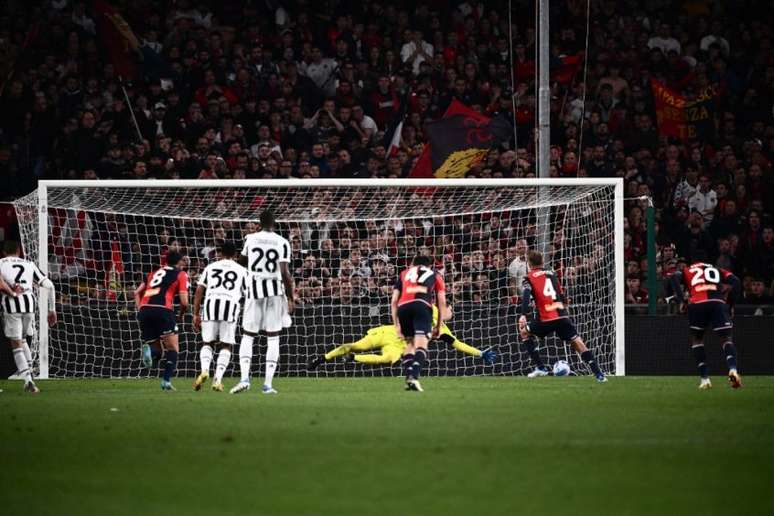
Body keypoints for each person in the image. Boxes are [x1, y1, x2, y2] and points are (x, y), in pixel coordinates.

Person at [307, 305, 496, 369]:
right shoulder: (432, 308)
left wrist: (480, 354)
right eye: (450, 307)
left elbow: (458, 344)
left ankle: (353, 359)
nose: (451, 310)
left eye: (452, 309)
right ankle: (321, 359)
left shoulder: (444, 331)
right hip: (389, 332)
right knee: (353, 344)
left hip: (399, 344)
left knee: (389, 359)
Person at [231, 210, 294, 395]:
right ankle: (267, 384)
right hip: (275, 291)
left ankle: (244, 378)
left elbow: (241, 262)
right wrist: (291, 298)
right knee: (273, 336)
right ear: (275, 223)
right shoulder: (282, 242)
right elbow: (284, 273)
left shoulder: (250, 238)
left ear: (259, 223)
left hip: (254, 289)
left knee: (248, 335)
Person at [519, 251, 606, 382]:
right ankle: (599, 375)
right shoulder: (552, 274)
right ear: (542, 262)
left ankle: (541, 368)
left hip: (546, 318)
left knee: (524, 331)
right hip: (561, 315)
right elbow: (560, 292)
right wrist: (565, 302)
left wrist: (523, 314)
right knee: (578, 343)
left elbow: (526, 295)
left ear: (529, 263)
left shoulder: (529, 277)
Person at [669, 262, 741, 390]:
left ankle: (704, 379)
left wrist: (682, 300)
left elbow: (674, 277)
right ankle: (733, 369)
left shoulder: (687, 270)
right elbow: (736, 281)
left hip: (697, 304)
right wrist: (730, 305)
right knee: (726, 339)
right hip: (717, 303)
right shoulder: (718, 269)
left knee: (697, 340)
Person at [0, 240, 57, 393]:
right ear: (19, 251)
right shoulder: (29, 264)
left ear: (4, 252)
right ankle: (28, 371)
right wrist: (52, 310)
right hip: (30, 304)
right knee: (24, 338)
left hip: (13, 304)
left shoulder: (1, 263)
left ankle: (28, 380)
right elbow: (50, 285)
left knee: (16, 342)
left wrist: (11, 292)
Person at [192, 241, 248, 392]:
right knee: (226, 344)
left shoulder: (210, 267)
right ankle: (217, 379)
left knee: (207, 342)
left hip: (210, 305)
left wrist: (195, 314)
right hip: (230, 306)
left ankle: (204, 370)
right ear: (235, 255)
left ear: (220, 253)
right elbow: (248, 293)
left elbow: (199, 290)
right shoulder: (241, 270)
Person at [391, 255, 448, 392]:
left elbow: (393, 301)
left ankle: (409, 375)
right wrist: (439, 326)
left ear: (412, 264)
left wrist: (396, 325)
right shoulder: (435, 275)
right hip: (422, 306)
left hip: (403, 307)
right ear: (429, 266)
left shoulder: (404, 273)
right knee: (421, 344)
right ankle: (414, 377)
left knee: (410, 343)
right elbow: (442, 303)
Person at [134, 252, 189, 391]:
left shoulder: (153, 273)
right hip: (163, 310)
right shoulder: (181, 274)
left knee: (158, 351)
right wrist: (181, 315)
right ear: (179, 262)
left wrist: (140, 308)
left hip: (145, 311)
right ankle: (166, 381)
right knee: (173, 348)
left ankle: (150, 353)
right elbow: (184, 302)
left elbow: (136, 292)